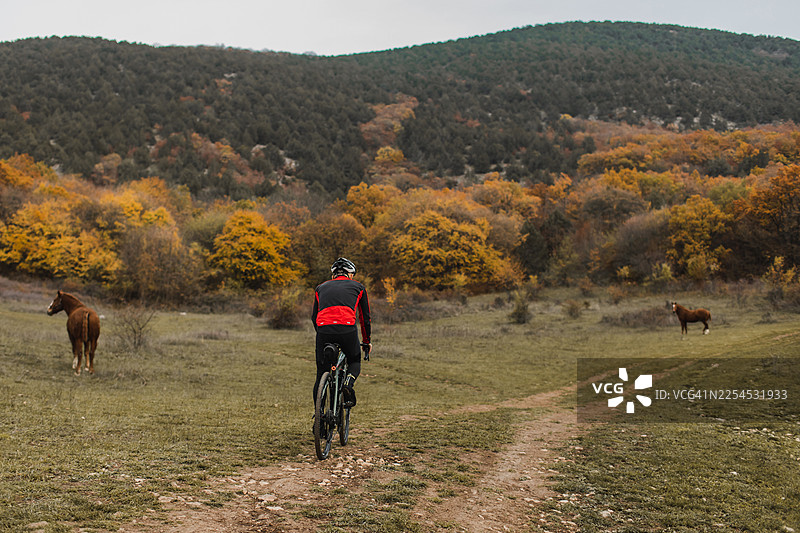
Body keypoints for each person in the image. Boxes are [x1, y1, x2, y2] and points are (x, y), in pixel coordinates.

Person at [311, 257, 371, 411]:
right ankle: (348, 384)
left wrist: (323, 334)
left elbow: (314, 317)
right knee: (354, 360)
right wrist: (366, 342)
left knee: (321, 374)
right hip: (347, 330)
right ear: (350, 274)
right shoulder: (359, 287)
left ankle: (319, 419)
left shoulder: (320, 288)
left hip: (324, 331)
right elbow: (365, 319)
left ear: (333, 275)